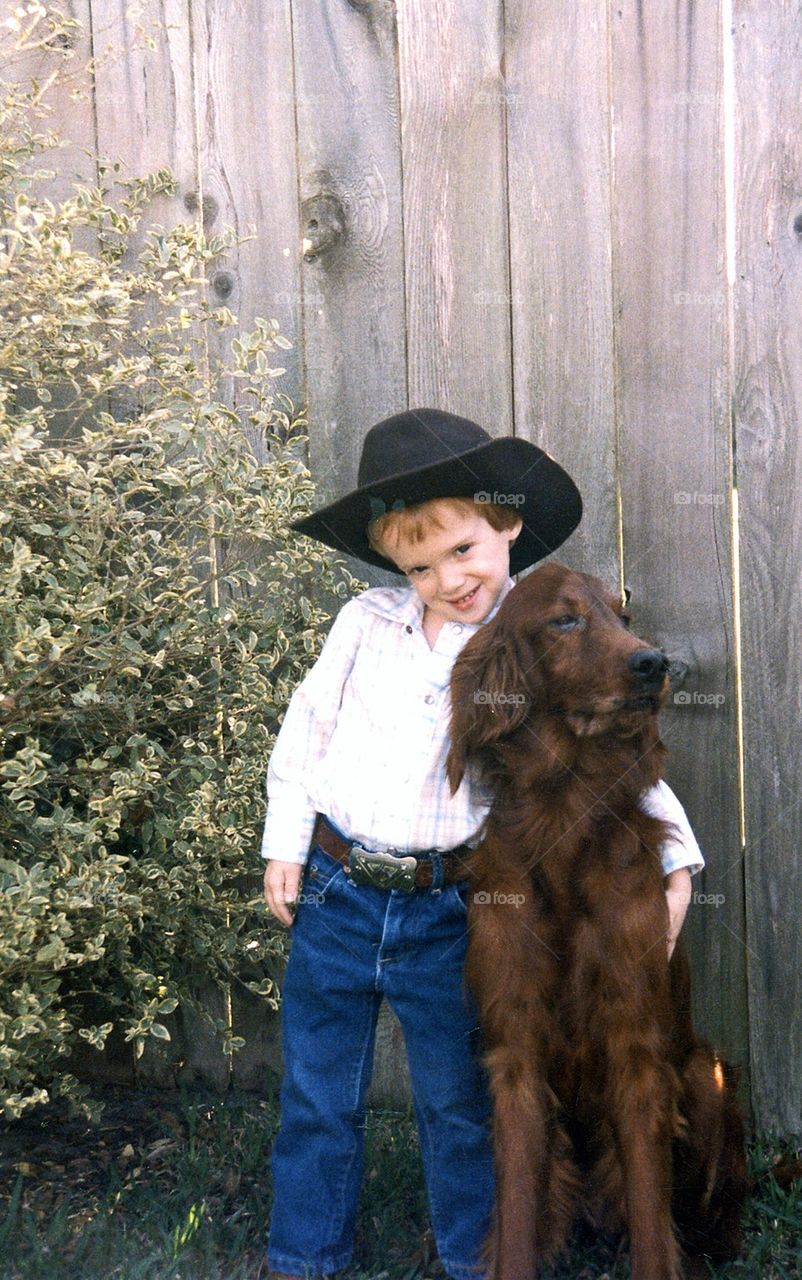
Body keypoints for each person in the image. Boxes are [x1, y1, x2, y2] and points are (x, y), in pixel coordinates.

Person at [261, 408, 702, 1280]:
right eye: (419, 566)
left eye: (462, 550)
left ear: (507, 527)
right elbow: (304, 732)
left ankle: (479, 1259)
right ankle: (302, 1258)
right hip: (335, 889)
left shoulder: (529, 643)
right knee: (316, 1092)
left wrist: (677, 857)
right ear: (395, 567)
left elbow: (610, 756)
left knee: (458, 1104)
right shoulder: (364, 626)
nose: (446, 578)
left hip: (445, 908)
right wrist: (285, 843)